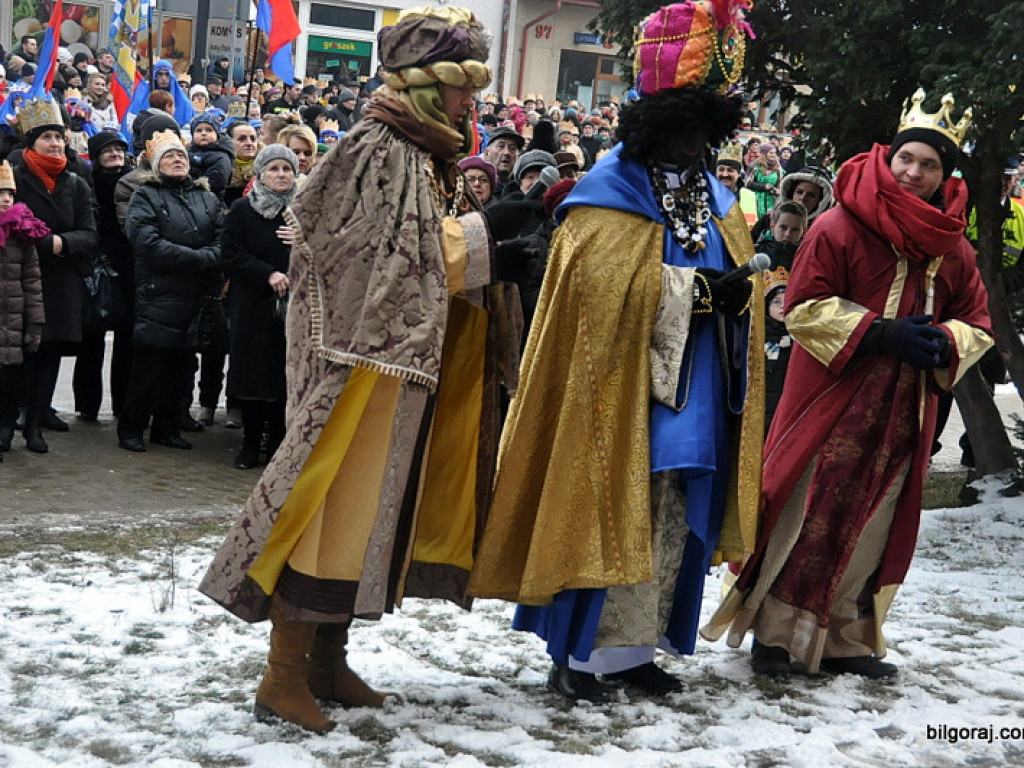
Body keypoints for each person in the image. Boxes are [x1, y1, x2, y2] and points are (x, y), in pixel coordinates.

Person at [200, 5, 527, 733]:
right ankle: (282, 676)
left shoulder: (426, 151)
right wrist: (486, 241)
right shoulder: (374, 147)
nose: (473, 101)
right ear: (424, 84)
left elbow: (415, 249)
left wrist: (486, 249)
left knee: (373, 516)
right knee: (328, 511)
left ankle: (327, 659)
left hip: (397, 369)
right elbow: (377, 259)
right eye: (461, 85)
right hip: (357, 370)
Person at [469, 0, 763, 703]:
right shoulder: (605, 196)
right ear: (653, 127)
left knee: (670, 509)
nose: (695, 146)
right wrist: (693, 296)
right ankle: (577, 653)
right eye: (683, 131)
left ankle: (633, 651)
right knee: (602, 500)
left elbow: (738, 274)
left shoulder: (717, 195)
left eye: (704, 132)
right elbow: (598, 301)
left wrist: (737, 299)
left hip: (695, 386)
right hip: (611, 393)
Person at [701, 88, 994, 680]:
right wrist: (880, 334)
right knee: (807, 513)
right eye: (907, 158)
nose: (914, 173)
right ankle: (776, 639)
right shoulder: (838, 225)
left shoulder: (953, 245)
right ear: (890, 157)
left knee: (875, 519)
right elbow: (800, 306)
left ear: (944, 175)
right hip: (830, 398)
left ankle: (844, 641)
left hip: (903, 410)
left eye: (929, 165)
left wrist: (949, 341)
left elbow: (977, 318)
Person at [118, 130, 223, 452]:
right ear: (155, 164)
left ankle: (166, 427)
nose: (177, 160)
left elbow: (223, 238)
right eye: (169, 156)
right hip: (158, 294)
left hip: (196, 294)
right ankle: (131, 429)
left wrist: (207, 258)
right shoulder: (145, 196)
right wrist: (198, 259)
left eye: (181, 155)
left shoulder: (206, 197)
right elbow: (147, 242)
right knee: (148, 368)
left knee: (180, 368)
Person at [11, 98, 99, 453]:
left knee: (48, 356)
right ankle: (6, 423)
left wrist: (59, 242)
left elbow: (91, 234)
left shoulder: (76, 183)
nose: (55, 143)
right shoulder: (13, 178)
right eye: (47, 136)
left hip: (61, 282)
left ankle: (35, 425)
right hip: (18, 279)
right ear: (31, 142)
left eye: (59, 137)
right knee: (15, 355)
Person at [221, 145, 298, 469]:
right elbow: (230, 254)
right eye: (274, 169)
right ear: (261, 173)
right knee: (253, 376)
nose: (281, 175)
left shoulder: (305, 211)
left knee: (284, 377)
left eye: (287, 169)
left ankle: (278, 445)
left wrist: (304, 241)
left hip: (295, 307)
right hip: (252, 304)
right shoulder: (242, 209)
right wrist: (266, 273)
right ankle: (250, 444)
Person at [0, 160, 48, 460]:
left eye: (9, 193)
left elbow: (32, 282)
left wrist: (35, 325)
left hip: (13, 322)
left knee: (10, 381)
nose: (5, 198)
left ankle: (5, 428)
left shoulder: (23, 233)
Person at [750, 166, 833, 242]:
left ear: (821, 201)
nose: (803, 198)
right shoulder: (769, 220)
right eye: (799, 192)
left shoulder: (821, 230)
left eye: (811, 195)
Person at [187, 112, 235, 200]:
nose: (204, 133)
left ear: (217, 134)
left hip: (211, 199)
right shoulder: (188, 152)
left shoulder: (221, 156)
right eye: (199, 130)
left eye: (209, 130)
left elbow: (217, 181)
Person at [223, 120, 261, 208]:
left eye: (253, 139)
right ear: (228, 142)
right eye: (242, 139)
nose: (249, 143)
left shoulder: (265, 170)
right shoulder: (221, 170)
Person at [481, 125, 524, 196]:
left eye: (512, 148)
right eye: (501, 146)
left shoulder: (522, 188)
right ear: (486, 153)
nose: (506, 153)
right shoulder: (477, 187)